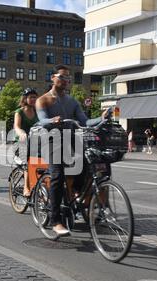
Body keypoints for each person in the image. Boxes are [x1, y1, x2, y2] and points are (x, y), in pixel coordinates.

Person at [36, 64, 110, 237]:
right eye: (62, 77)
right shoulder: (43, 100)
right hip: (51, 141)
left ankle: (77, 193)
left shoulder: (72, 101)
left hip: (71, 141)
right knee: (57, 176)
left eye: (68, 78)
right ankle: (55, 221)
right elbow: (41, 120)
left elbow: (84, 121)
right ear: (53, 78)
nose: (65, 81)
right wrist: (51, 120)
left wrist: (101, 118)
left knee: (89, 163)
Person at [14, 88, 39, 197]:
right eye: (31, 97)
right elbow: (16, 126)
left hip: (35, 141)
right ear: (25, 98)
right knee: (28, 162)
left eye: (35, 97)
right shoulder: (19, 112)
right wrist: (22, 133)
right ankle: (26, 187)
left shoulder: (37, 111)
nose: (33, 99)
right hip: (22, 142)